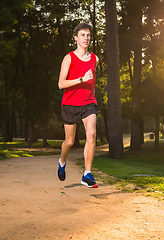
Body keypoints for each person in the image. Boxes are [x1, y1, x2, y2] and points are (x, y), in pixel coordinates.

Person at [57, 22, 99, 188]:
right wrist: (81, 79)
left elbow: (92, 82)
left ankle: (87, 173)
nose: (86, 38)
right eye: (82, 35)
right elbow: (61, 84)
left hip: (89, 102)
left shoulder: (95, 58)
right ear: (76, 38)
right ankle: (62, 162)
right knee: (69, 142)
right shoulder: (69, 58)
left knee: (92, 133)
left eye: (88, 35)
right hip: (70, 103)